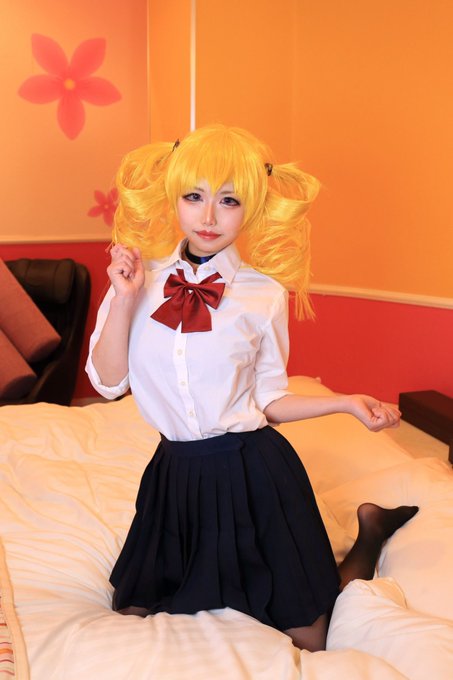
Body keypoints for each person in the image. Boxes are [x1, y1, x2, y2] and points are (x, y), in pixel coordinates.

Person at [86, 124, 417, 652]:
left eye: (229, 200)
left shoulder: (263, 294)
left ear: (252, 208)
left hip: (254, 472)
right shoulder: (137, 279)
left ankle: (371, 531)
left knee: (310, 635)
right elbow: (106, 384)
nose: (208, 217)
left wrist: (346, 403)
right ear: (173, 198)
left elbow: (269, 400)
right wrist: (125, 299)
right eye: (193, 197)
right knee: (130, 610)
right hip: (175, 476)